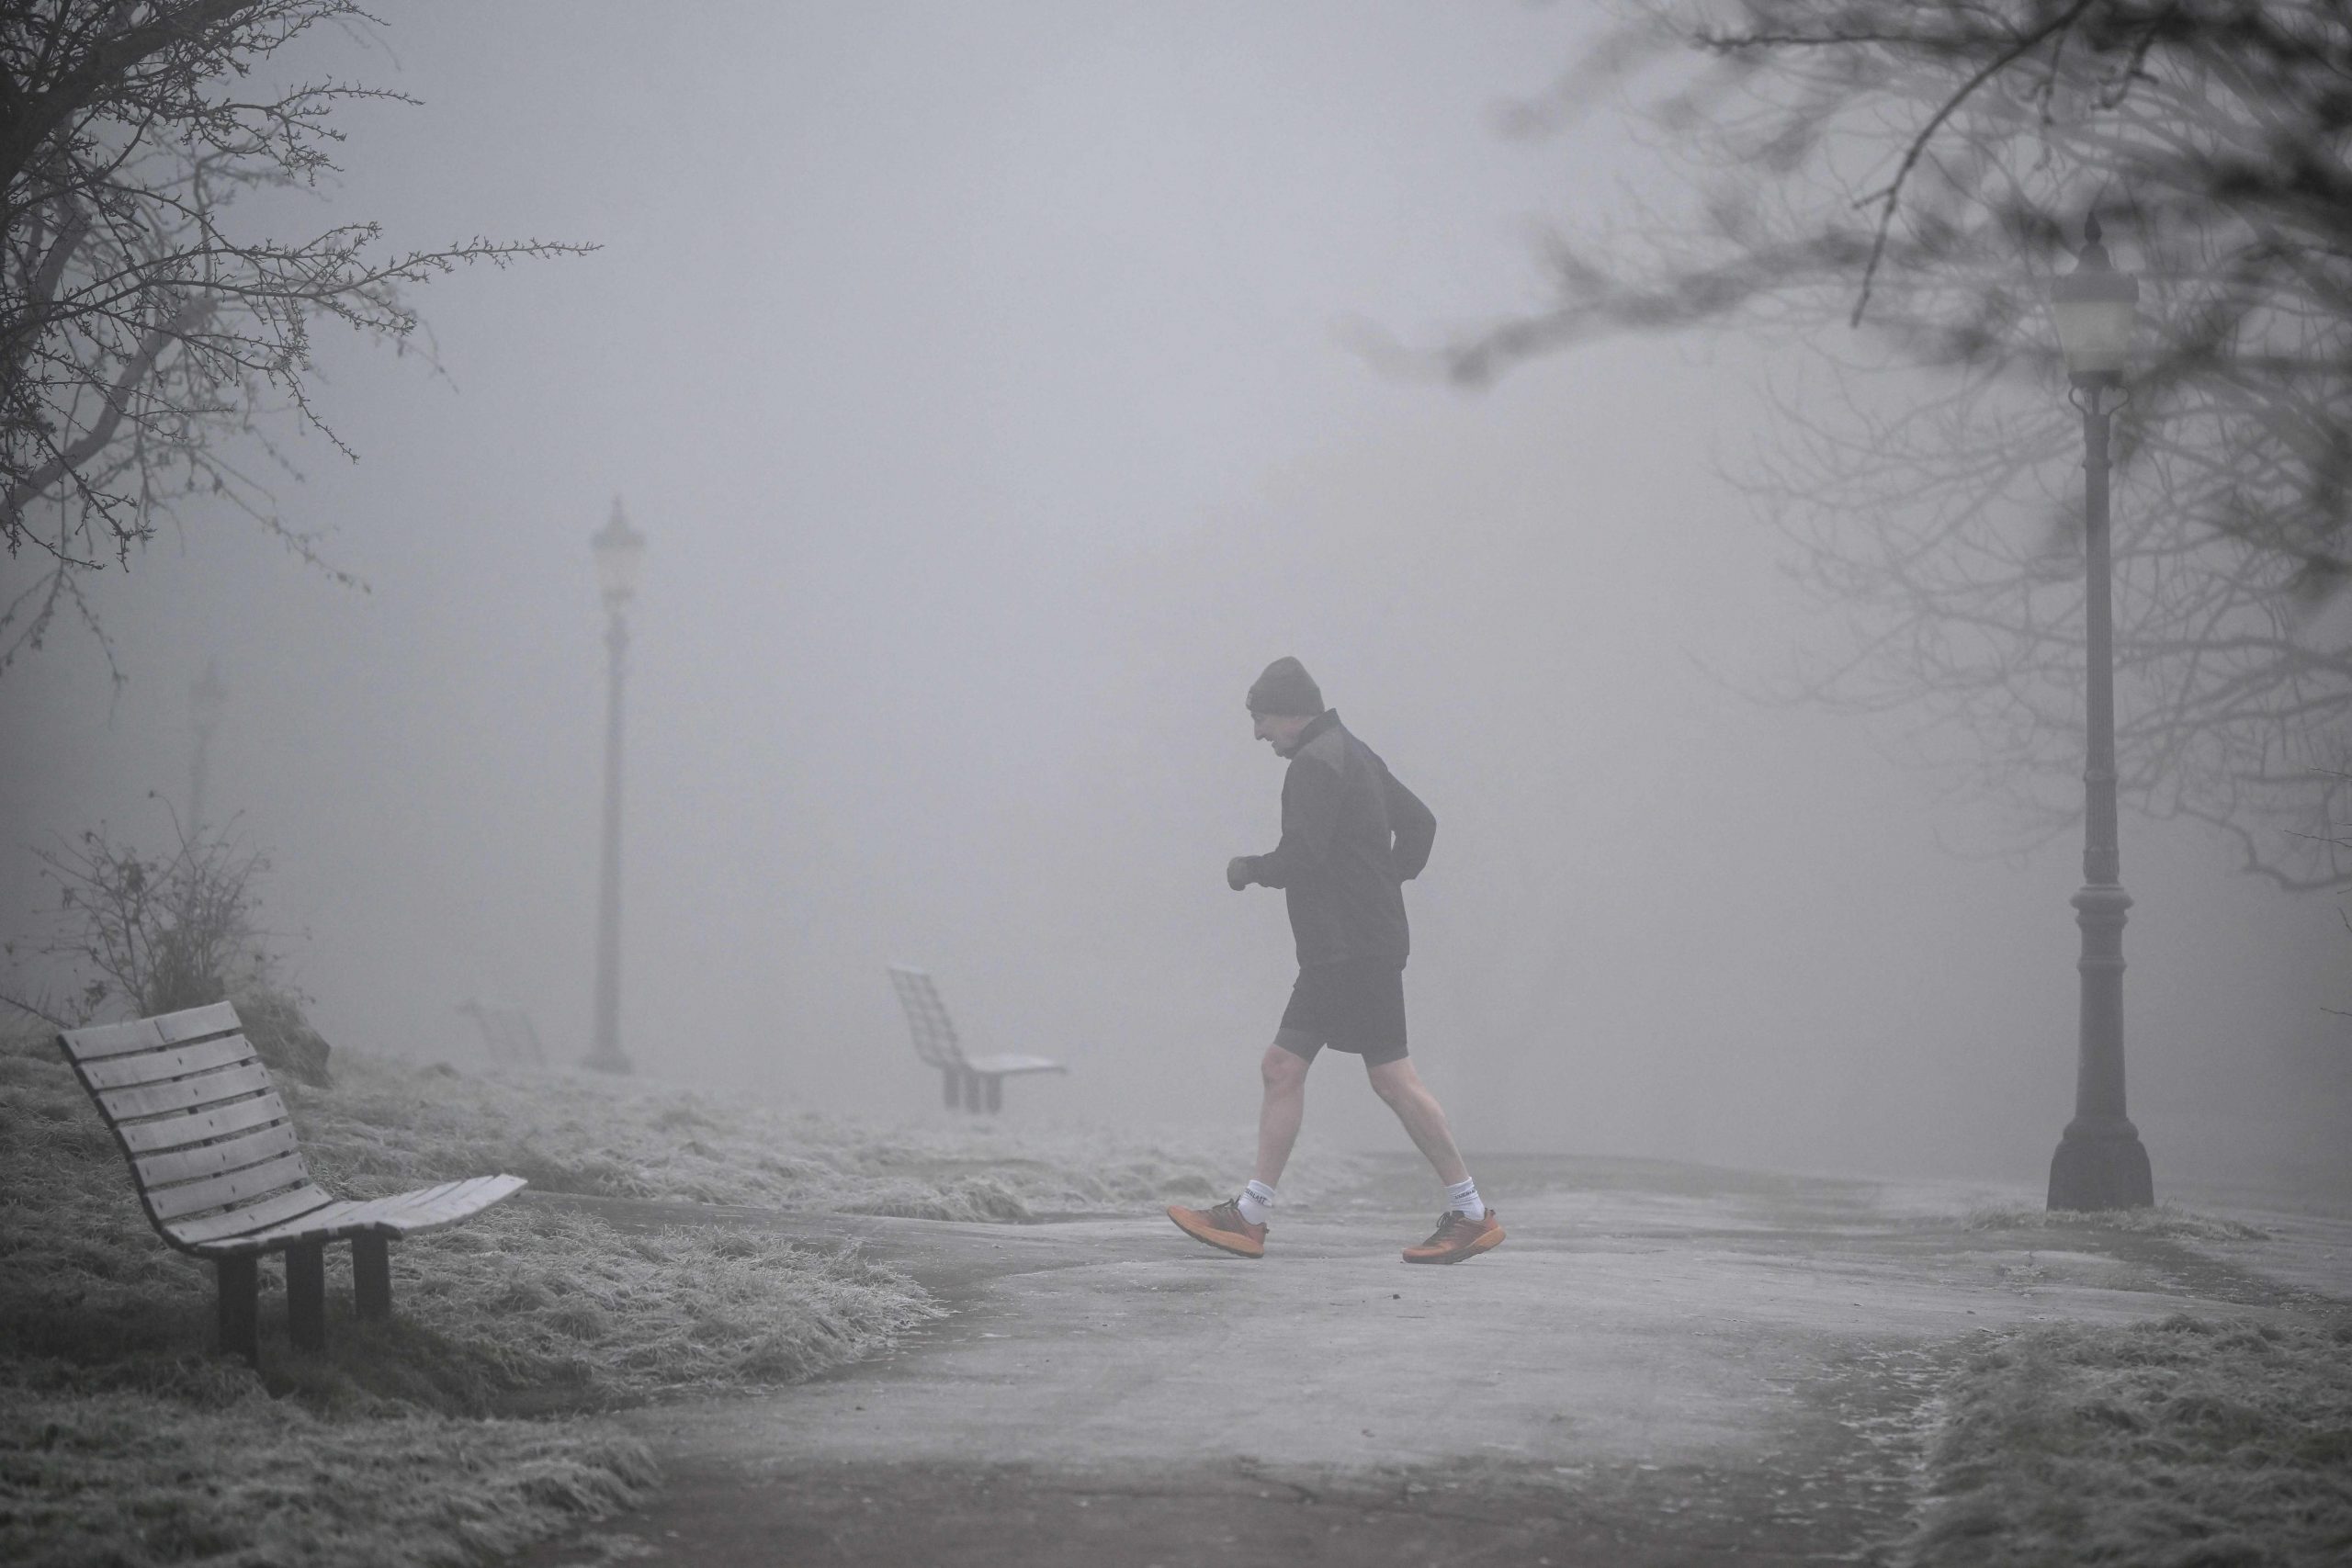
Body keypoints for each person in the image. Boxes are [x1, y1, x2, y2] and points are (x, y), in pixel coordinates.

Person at [1166, 656, 1502, 1265]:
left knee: (1386, 1079)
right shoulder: (1352, 752)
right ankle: (1250, 1214)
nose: (1258, 733)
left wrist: (1249, 871)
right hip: (1350, 946)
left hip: (1349, 951)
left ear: (1290, 712)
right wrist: (1383, 883)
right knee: (1289, 1068)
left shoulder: (1316, 766)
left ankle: (1472, 1212)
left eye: (1261, 718)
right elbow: (1420, 825)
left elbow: (1304, 856)